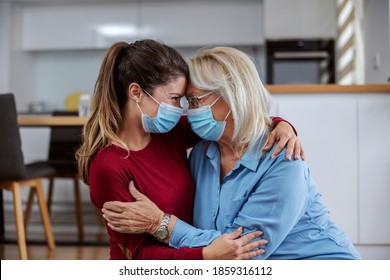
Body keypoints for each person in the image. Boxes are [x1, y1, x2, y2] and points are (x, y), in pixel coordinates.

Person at [102, 46, 362, 260]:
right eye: (183, 101)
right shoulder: (201, 154)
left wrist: (162, 224)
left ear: (231, 96)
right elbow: (217, 249)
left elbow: (243, 251)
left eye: (194, 101)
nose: (187, 111)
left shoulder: (283, 160)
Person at [76, 40, 302, 260]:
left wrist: (282, 125)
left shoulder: (169, 133)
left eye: (186, 101)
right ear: (136, 92)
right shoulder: (109, 166)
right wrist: (204, 255)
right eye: (174, 99)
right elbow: (137, 254)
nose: (180, 110)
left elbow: (236, 115)